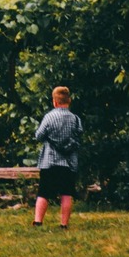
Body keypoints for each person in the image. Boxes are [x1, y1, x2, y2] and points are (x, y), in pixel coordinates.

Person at [33, 85, 82, 229]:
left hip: (50, 161)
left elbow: (39, 135)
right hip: (69, 162)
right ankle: (64, 224)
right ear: (69, 101)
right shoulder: (75, 119)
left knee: (43, 192)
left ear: (54, 101)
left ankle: (38, 222)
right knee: (66, 193)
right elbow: (79, 134)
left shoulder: (49, 117)